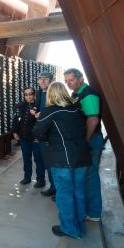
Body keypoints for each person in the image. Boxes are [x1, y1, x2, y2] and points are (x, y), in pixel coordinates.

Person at [32, 82, 90, 239]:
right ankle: (80, 227)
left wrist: (47, 138)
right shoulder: (77, 109)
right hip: (82, 158)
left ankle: (70, 228)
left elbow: (38, 133)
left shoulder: (49, 112)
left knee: (64, 194)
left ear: (50, 95)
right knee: (78, 192)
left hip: (62, 159)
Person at [64, 68, 105, 222]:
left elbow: (93, 119)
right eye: (66, 81)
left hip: (91, 140)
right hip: (83, 140)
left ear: (80, 79)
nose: (68, 83)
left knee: (90, 175)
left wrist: (85, 141)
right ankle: (87, 209)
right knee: (85, 174)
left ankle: (94, 212)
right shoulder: (76, 94)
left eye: (71, 80)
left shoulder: (88, 93)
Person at [11, 87, 46, 187]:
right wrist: (14, 131)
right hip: (24, 137)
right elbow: (15, 119)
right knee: (26, 158)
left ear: (34, 95)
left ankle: (41, 180)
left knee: (38, 159)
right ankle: (27, 177)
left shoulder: (39, 107)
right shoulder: (20, 106)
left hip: (35, 138)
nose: (28, 96)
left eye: (30, 94)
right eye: (26, 94)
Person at [36, 71, 56, 198]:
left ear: (51, 80)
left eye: (45, 79)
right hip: (43, 135)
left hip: (51, 135)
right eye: (40, 79)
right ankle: (53, 187)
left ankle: (57, 189)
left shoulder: (53, 95)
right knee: (47, 163)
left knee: (53, 164)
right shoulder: (40, 94)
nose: (42, 81)